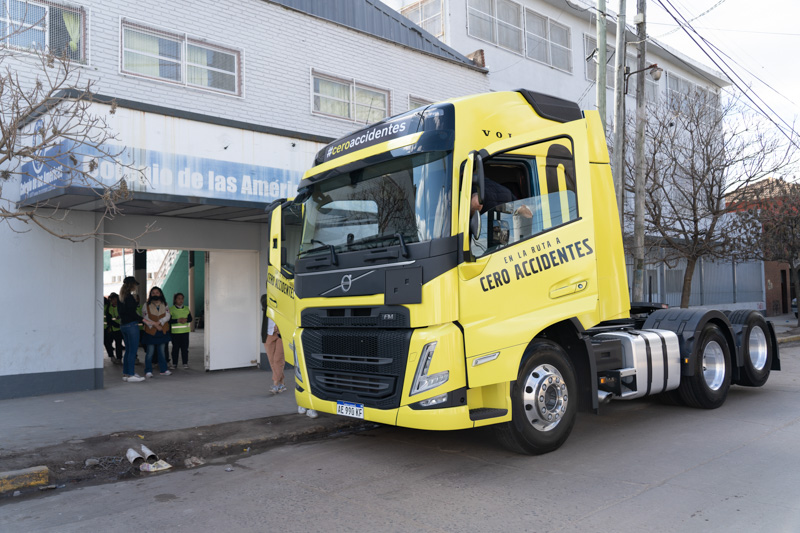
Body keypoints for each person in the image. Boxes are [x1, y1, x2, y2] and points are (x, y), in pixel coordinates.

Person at [118, 277, 145, 383]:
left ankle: (126, 373)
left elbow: (124, 313)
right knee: (132, 351)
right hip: (131, 326)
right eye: (135, 284)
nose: (136, 286)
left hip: (123, 326)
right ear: (131, 285)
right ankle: (131, 374)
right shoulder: (129, 297)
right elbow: (132, 313)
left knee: (128, 350)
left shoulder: (121, 297)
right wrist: (142, 320)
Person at [142, 286, 171, 378]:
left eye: (157, 292)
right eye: (153, 292)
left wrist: (159, 323)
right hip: (151, 331)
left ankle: (164, 369)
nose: (155, 294)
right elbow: (145, 317)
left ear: (160, 294)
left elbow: (168, 316)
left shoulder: (164, 304)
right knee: (150, 352)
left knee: (162, 351)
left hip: (162, 330)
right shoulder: (146, 305)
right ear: (150, 294)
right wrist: (155, 324)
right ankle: (148, 371)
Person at [261, 294, 286, 395]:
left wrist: (279, 325)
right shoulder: (265, 298)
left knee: (278, 359)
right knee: (272, 361)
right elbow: (264, 302)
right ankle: (282, 383)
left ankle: (275, 384)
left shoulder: (283, 300)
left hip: (281, 334)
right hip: (268, 333)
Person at [169, 292, 192, 369]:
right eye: (179, 298)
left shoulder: (186, 308)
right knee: (175, 348)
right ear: (175, 300)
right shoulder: (171, 309)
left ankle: (185, 363)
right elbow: (169, 321)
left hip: (185, 332)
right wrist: (177, 320)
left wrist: (186, 320)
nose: (181, 300)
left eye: (182, 298)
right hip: (175, 333)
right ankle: (174, 363)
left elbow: (190, 319)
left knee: (185, 348)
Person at [104, 293, 124, 363]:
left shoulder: (121, 307)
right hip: (112, 329)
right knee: (108, 343)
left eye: (115, 299)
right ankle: (112, 356)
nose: (114, 301)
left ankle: (119, 358)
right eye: (112, 299)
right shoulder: (108, 308)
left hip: (121, 328)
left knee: (119, 344)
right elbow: (109, 320)